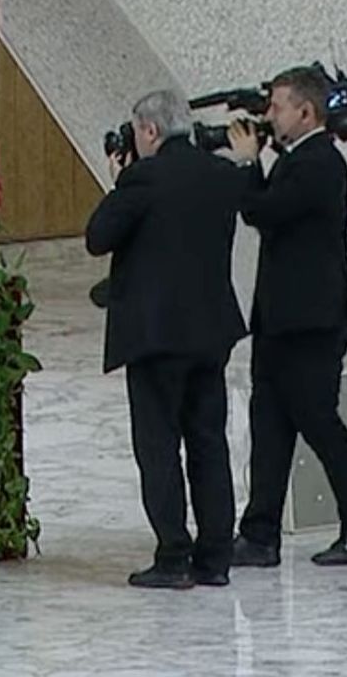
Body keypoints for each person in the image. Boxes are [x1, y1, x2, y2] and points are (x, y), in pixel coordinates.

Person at [85, 89, 248, 589]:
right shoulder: (221, 175)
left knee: (158, 447)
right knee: (207, 442)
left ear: (150, 131)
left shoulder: (142, 178)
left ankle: (173, 556)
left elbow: (98, 238)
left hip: (155, 337)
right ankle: (216, 557)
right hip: (210, 332)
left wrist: (118, 185)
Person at [226, 66, 347, 567]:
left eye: (276, 107)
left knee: (319, 422)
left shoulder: (321, 163)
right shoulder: (298, 159)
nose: (269, 116)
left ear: (305, 111)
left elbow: (262, 211)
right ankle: (259, 535)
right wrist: (264, 156)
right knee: (269, 424)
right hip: (280, 321)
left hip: (312, 323)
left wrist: (248, 163)